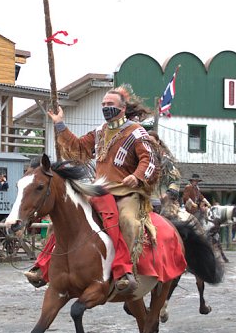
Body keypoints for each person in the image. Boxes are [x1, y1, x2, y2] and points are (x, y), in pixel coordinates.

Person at [25, 86, 156, 293]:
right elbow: (78, 148)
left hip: (125, 192)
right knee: (63, 219)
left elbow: (149, 159)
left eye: (110, 104)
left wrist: (137, 176)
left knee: (128, 222)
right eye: (103, 104)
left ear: (122, 108)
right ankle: (45, 266)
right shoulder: (99, 131)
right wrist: (60, 124)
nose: (105, 108)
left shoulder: (136, 131)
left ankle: (124, 271)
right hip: (98, 191)